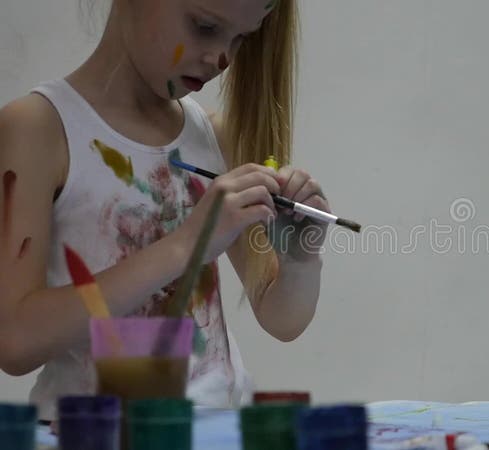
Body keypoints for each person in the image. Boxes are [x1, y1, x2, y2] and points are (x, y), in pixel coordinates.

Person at [0, 0, 328, 421]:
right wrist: (184, 247)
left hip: (219, 428)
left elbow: (282, 320)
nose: (222, 59)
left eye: (242, 38)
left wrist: (299, 258)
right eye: (205, 26)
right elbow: (14, 342)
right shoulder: (36, 130)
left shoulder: (213, 135)